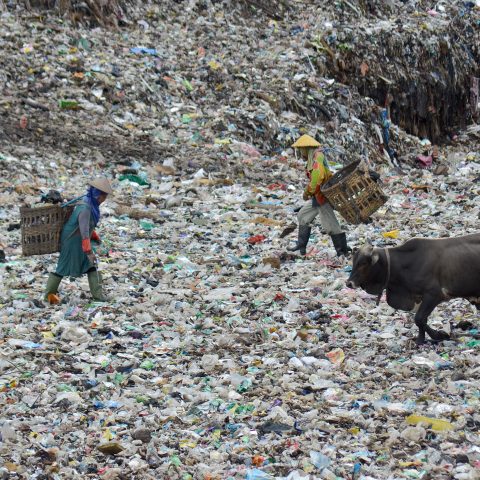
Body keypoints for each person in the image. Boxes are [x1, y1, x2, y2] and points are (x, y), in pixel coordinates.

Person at [44, 177, 113, 304]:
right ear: (98, 196)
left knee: (91, 265)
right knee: (62, 267)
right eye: (104, 197)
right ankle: (48, 296)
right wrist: (88, 250)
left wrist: (95, 237)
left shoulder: (90, 203)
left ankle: (98, 296)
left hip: (78, 237)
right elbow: (84, 230)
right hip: (72, 239)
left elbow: (87, 227)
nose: (104, 200)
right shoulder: (86, 208)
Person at [287, 134, 350, 256]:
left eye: (301, 150)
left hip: (323, 195)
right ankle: (301, 245)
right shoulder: (314, 157)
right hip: (317, 195)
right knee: (303, 215)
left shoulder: (317, 158)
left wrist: (307, 192)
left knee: (330, 225)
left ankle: (342, 251)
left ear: (307, 148)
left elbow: (317, 177)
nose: (301, 153)